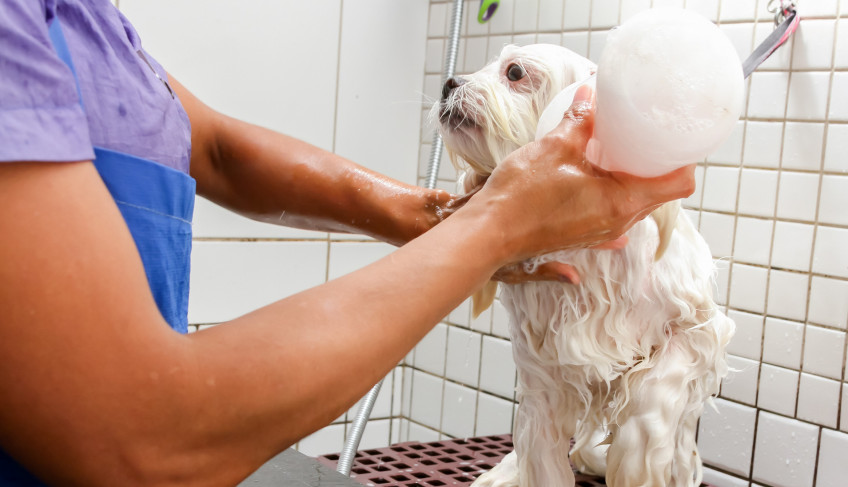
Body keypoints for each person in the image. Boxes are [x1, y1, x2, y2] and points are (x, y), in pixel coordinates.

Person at [0, 1, 695, 485]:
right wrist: (496, 225)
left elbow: (208, 145)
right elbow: (138, 436)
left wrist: (429, 213)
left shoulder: (88, 16)